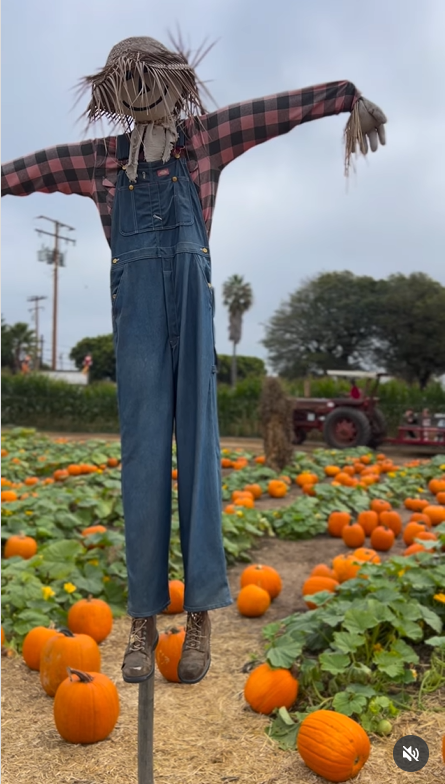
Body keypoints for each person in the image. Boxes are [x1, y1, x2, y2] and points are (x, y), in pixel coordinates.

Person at [1, 35, 387, 685]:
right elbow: (31, 169)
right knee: (142, 461)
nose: (142, 95)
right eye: (129, 86)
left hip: (191, 300)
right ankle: (144, 621)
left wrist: (344, 99)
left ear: (177, 85)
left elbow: (275, 110)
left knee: (201, 454)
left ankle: (201, 614)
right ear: (114, 97)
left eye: (151, 81)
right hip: (140, 321)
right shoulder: (99, 161)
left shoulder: (204, 141)